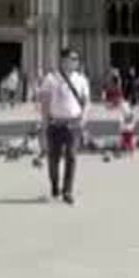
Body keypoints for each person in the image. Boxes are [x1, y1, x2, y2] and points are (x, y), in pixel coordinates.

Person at [38, 48, 89, 204]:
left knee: (71, 157)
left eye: (76, 59)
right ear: (62, 60)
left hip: (73, 124)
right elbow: (45, 102)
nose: (74, 62)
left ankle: (68, 191)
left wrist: (83, 118)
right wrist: (45, 122)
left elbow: (86, 101)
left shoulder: (81, 79)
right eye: (71, 59)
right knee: (53, 158)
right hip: (55, 123)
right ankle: (55, 184)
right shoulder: (51, 78)